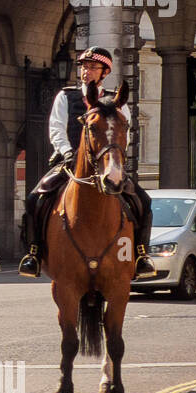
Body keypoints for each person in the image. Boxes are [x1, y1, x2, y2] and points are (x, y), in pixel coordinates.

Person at [17, 46, 157, 281]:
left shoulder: (116, 100)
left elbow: (124, 134)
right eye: (83, 66)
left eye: (93, 67)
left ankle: (142, 255)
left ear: (104, 72)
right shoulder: (65, 96)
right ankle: (34, 253)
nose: (86, 71)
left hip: (106, 164)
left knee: (142, 200)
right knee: (35, 198)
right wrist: (67, 152)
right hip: (71, 161)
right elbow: (56, 128)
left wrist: (115, 160)